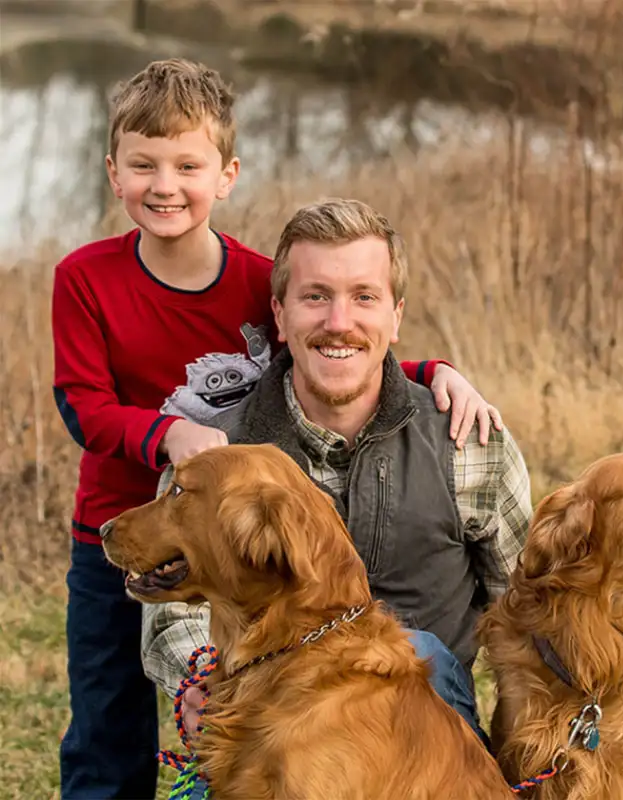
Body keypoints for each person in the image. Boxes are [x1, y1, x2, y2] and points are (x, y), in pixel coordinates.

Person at [52, 59, 502, 800]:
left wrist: (432, 372)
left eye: (187, 166)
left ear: (226, 175)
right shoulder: (84, 277)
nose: (165, 186)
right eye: (143, 165)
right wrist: (167, 438)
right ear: (113, 171)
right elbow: (82, 404)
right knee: (107, 723)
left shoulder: (255, 280)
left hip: (216, 509)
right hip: (123, 514)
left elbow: (334, 340)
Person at [141, 198, 533, 769]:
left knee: (417, 648)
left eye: (364, 297)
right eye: (316, 296)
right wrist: (200, 675)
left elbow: (525, 610)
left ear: (396, 316)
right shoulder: (214, 450)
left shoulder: (467, 440)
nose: (339, 322)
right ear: (280, 315)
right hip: (264, 733)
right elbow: (171, 613)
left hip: (424, 753)